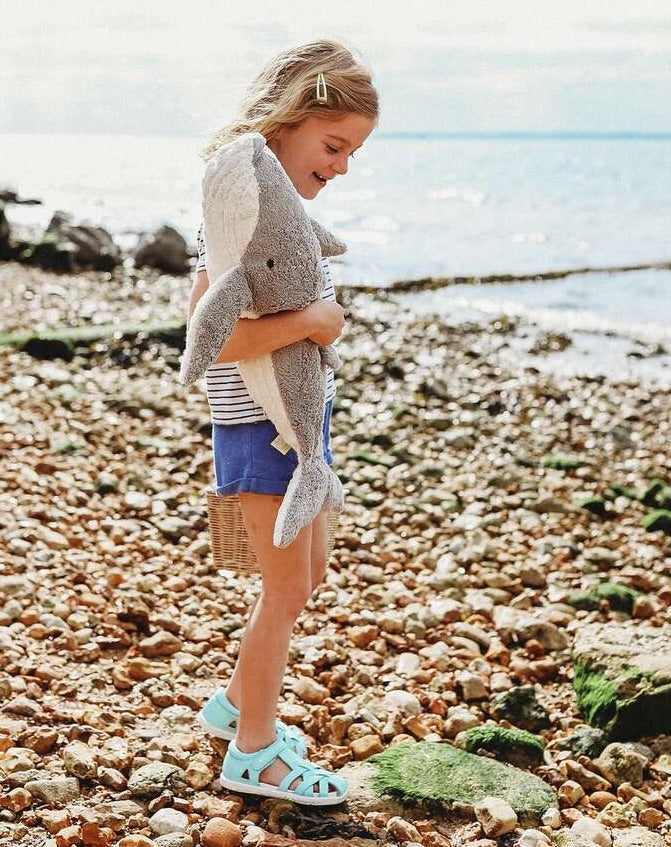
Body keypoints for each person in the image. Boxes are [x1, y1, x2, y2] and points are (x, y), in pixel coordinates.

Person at [185, 40, 378, 805]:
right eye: (334, 145)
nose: (341, 165)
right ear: (287, 121)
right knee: (284, 590)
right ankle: (254, 749)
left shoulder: (284, 216)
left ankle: (234, 706)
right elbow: (216, 337)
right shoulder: (234, 221)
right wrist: (315, 320)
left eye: (353, 152)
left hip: (299, 435)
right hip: (259, 433)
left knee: (308, 576)